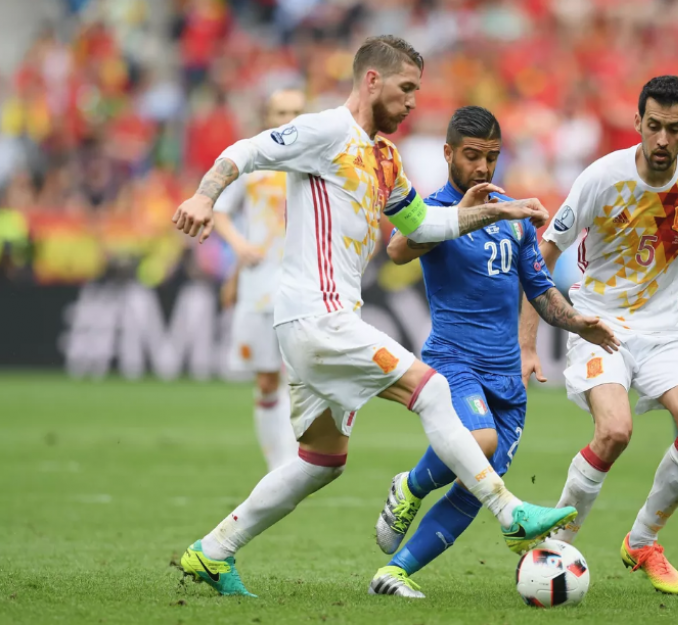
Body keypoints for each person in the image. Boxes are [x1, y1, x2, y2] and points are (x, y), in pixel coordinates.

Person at [171, 35, 577, 597]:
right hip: (318, 316)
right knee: (432, 390)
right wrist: (204, 196)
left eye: (417, 90)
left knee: (321, 462)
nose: (412, 102)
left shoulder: (384, 158)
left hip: (323, 321)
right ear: (371, 81)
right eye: (406, 88)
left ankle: (212, 552)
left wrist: (497, 211)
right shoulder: (325, 132)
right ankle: (510, 513)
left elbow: (422, 227)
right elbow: (246, 151)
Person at [519, 76, 678, 595]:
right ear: (637, 122)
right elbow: (540, 259)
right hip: (598, 324)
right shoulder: (601, 177)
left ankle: (642, 541)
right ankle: (555, 547)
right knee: (615, 431)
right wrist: (526, 344)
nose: (661, 139)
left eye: (673, 129)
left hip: (664, 329)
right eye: (653, 126)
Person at [369, 106, 619, 598]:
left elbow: (540, 289)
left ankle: (394, 573)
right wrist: (467, 216)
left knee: (474, 485)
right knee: (478, 443)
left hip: (507, 378)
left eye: (491, 156)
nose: (482, 167)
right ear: (447, 153)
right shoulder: (434, 210)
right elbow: (397, 250)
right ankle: (412, 485)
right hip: (453, 360)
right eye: (471, 156)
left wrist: (577, 322)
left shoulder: (513, 215)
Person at [213, 88, 306, 472]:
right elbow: (219, 210)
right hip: (258, 285)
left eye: (296, 112)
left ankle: (298, 464)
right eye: (281, 112)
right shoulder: (252, 160)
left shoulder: (316, 161)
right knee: (267, 381)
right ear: (268, 117)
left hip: (302, 286)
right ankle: (278, 467)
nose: (289, 119)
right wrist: (239, 251)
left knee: (301, 378)